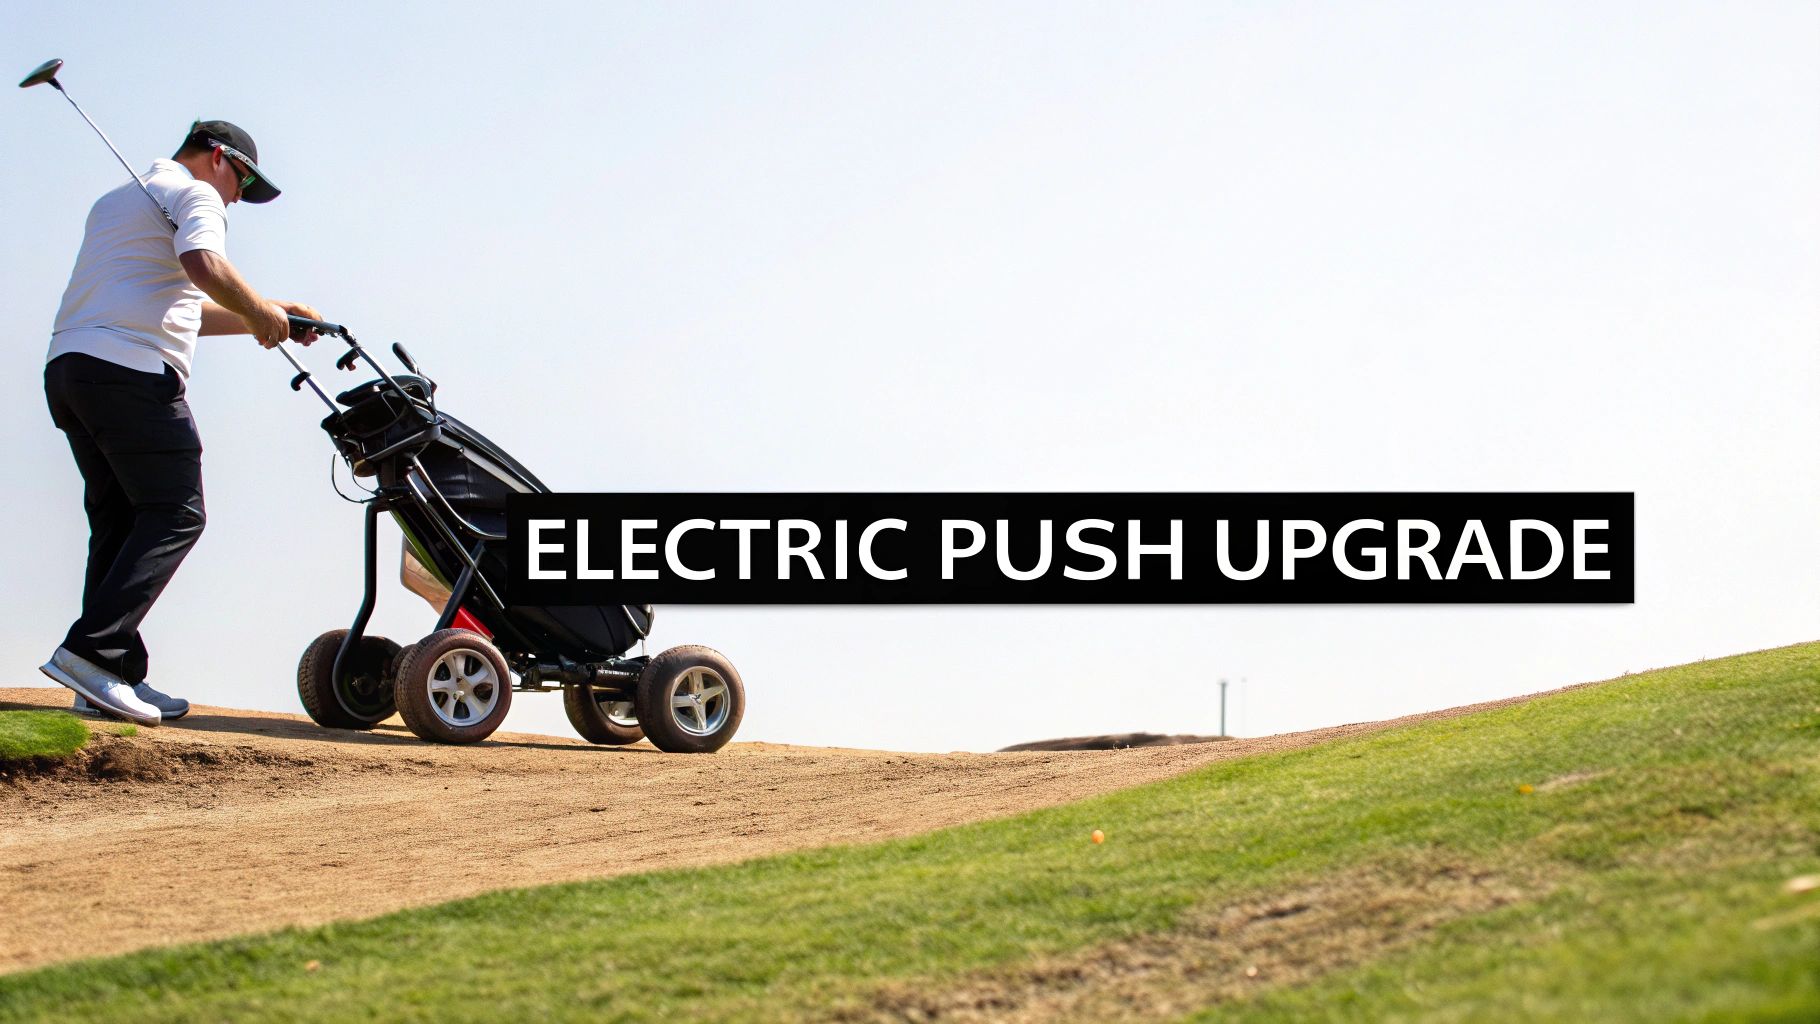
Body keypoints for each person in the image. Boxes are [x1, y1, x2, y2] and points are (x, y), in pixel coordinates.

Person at [39, 119, 323, 726]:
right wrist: (259, 312)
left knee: (119, 521)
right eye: (243, 182)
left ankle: (108, 675)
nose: (237, 199)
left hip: (72, 371)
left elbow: (183, 302)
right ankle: (89, 652)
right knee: (176, 513)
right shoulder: (195, 195)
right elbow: (202, 262)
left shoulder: (121, 199)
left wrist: (265, 314)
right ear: (218, 157)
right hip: (131, 374)